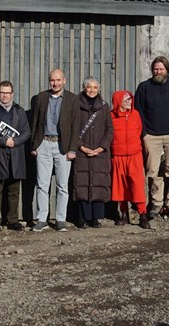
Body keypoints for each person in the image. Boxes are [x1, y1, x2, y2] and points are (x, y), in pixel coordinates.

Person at [134, 56, 169, 219]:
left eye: (161, 69)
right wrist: (144, 134)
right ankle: (156, 203)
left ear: (167, 70)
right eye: (155, 69)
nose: (158, 71)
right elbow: (138, 111)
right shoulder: (144, 87)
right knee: (153, 171)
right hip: (151, 136)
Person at [28, 69, 79, 232]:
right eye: (52, 80)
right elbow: (35, 122)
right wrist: (34, 145)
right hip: (44, 144)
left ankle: (60, 219)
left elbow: (75, 126)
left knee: (62, 185)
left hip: (62, 146)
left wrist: (72, 149)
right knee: (42, 184)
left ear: (64, 80)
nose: (55, 83)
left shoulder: (72, 99)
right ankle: (42, 218)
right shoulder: (41, 97)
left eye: (58, 80)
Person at [0, 81, 31, 232]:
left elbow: (27, 132)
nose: (5, 95)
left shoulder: (20, 111)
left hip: (16, 154)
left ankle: (12, 219)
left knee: (14, 190)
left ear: (12, 94)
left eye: (8, 93)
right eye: (2, 92)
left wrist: (15, 141)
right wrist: (4, 141)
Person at [72, 78, 113, 228]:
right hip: (82, 151)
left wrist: (102, 147)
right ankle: (82, 217)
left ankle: (95, 217)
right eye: (89, 87)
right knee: (82, 182)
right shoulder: (75, 105)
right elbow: (72, 128)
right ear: (84, 88)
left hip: (99, 152)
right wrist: (81, 147)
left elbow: (109, 130)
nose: (92, 90)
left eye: (95, 87)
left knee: (98, 183)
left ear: (99, 89)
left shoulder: (104, 106)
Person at [109, 91, 151, 229]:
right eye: (126, 100)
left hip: (134, 156)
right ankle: (124, 214)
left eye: (130, 100)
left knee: (137, 185)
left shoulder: (135, 115)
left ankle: (142, 214)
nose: (129, 102)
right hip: (118, 156)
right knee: (120, 186)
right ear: (118, 101)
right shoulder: (111, 116)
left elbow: (139, 132)